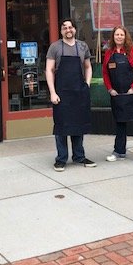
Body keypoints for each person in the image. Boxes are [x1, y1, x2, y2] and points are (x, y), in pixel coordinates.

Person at [45, 18, 96, 171]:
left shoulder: (82, 46)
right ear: (61, 31)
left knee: (78, 125)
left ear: (75, 29)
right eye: (65, 28)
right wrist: (52, 92)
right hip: (61, 93)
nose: (68, 30)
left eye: (70, 27)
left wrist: (87, 84)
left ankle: (79, 156)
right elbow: (49, 70)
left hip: (79, 92)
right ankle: (61, 159)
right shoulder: (55, 47)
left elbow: (88, 67)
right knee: (61, 127)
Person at [102, 25, 133, 163]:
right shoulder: (109, 53)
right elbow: (105, 73)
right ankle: (119, 152)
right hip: (118, 95)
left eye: (121, 35)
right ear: (113, 37)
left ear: (125, 37)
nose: (119, 37)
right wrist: (110, 89)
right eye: (117, 35)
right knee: (120, 124)